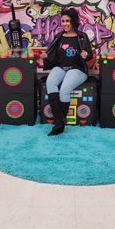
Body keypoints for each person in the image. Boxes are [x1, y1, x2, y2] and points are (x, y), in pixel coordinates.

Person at [43, 8, 93, 136]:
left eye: (68, 21)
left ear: (74, 22)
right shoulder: (59, 36)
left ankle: (59, 123)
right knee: (50, 82)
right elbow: (54, 54)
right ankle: (60, 121)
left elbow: (89, 55)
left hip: (77, 69)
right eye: (63, 21)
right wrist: (47, 55)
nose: (64, 23)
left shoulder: (82, 36)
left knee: (64, 88)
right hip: (61, 67)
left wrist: (86, 54)